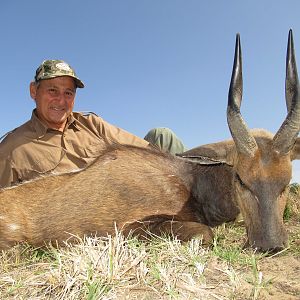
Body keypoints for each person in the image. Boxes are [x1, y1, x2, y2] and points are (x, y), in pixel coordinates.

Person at [0, 60, 186, 188]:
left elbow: (142, 148)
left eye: (68, 93)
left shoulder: (91, 124)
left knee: (163, 137)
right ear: (34, 91)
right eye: (52, 90)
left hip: (126, 187)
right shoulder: (11, 148)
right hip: (86, 217)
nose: (61, 101)